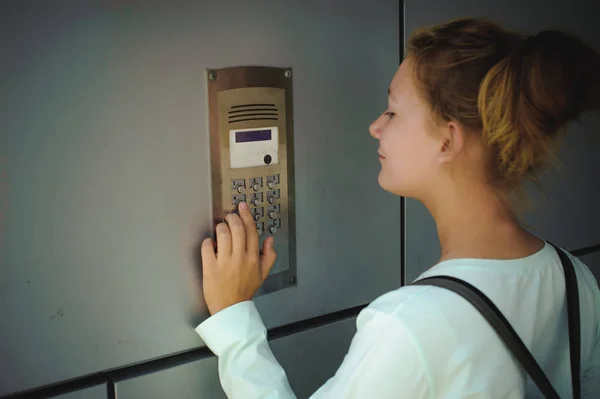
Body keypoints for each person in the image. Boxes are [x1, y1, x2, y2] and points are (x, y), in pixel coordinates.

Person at [196, 17, 600, 398]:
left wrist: (235, 324)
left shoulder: (411, 324)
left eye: (392, 111)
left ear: (447, 139)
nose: (376, 126)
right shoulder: (575, 280)